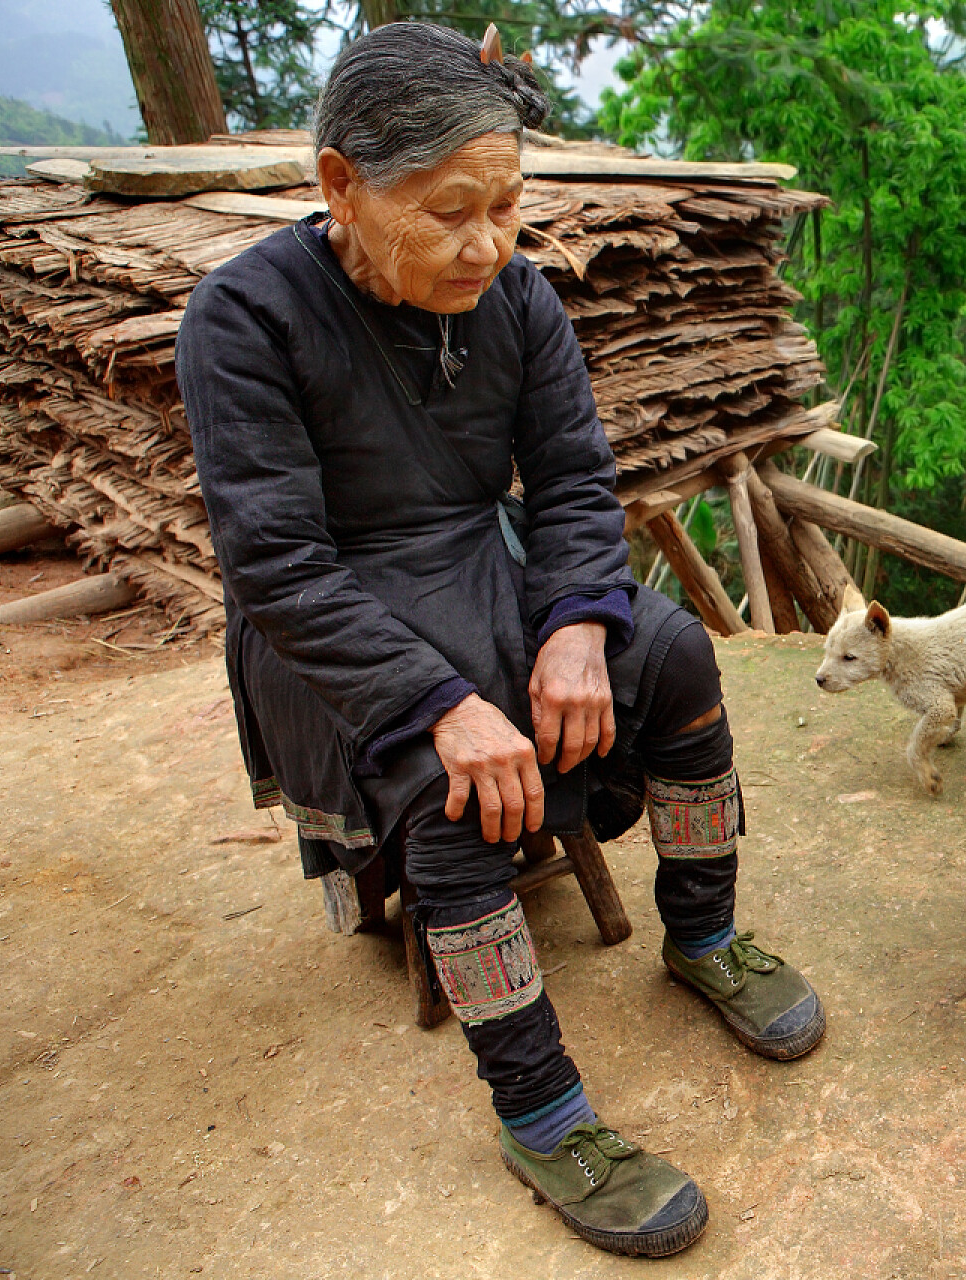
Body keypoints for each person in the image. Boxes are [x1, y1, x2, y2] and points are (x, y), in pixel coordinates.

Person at [174, 20, 824, 1259]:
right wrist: (437, 703)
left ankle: (705, 932)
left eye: (508, 207)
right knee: (452, 775)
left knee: (674, 653)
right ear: (339, 188)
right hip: (334, 625)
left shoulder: (515, 293)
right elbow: (274, 562)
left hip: (493, 559)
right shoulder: (242, 319)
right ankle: (541, 1108)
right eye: (448, 210)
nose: (486, 243)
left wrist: (580, 621)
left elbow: (575, 477)